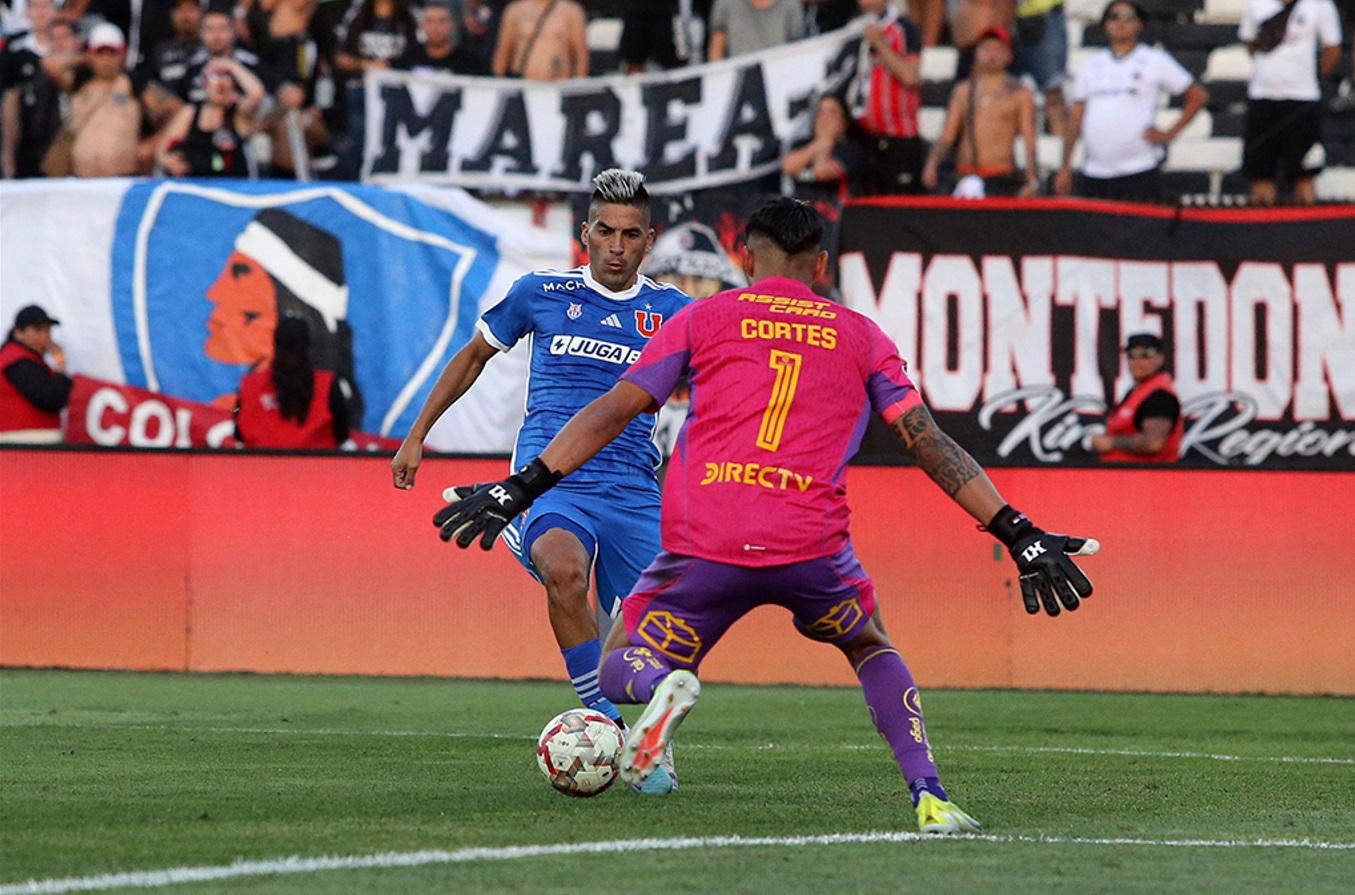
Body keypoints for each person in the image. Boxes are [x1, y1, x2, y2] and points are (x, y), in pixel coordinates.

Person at [432, 197, 1100, 833]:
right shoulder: (862, 335)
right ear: (821, 266)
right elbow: (925, 439)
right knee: (870, 646)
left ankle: (664, 683)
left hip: (707, 544)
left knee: (616, 665)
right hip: (809, 546)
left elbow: (615, 407)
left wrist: (524, 484)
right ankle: (929, 794)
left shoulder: (700, 318)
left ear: (745, 259)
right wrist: (1016, 530)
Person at [391, 169, 693, 793]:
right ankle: (606, 727)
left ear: (648, 240)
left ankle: (651, 732)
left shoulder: (675, 313)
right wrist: (418, 433)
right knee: (563, 573)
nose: (615, 245)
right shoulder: (540, 291)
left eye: (630, 235)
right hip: (552, 482)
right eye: (604, 231)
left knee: (656, 644)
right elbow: (474, 354)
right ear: (584, 233)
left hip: (635, 489)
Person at [204, 207, 364, 429]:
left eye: (240, 272)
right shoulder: (328, 392)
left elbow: (243, 433)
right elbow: (340, 436)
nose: (213, 293)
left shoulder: (249, 395)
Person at [1054, 0, 1209, 202]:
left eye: (1129, 18)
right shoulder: (1091, 64)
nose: (1121, 23)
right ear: (1105, 24)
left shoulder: (1154, 60)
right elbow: (1076, 116)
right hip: (1096, 171)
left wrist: (1170, 132)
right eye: (1114, 17)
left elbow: (1197, 96)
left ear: (1140, 24)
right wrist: (1065, 166)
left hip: (1139, 169)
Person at [1238, 0, 1343, 205]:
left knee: (1305, 175)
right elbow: (1250, 42)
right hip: (1262, 97)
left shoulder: (1320, 5)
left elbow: (1332, 49)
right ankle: (1259, 229)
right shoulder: (1257, 4)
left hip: (1302, 100)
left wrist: (1309, 78)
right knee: (1260, 176)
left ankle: (1305, 229)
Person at [922, 26, 1038, 197]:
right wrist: (932, 163)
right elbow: (948, 134)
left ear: (1009, 55)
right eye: (986, 49)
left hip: (1000, 176)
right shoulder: (963, 90)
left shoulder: (1019, 94)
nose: (991, 55)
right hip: (966, 173)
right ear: (977, 53)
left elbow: (1029, 140)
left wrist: (1031, 178)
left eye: (998, 49)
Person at [841, 0, 927, 195]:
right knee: (868, 210)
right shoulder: (851, 29)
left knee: (900, 210)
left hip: (900, 138)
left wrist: (879, 43)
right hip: (864, 138)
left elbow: (910, 76)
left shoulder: (905, 28)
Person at [235, 315, 350, 447]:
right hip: (317, 465)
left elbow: (238, 429)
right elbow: (342, 433)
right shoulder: (328, 386)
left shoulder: (249, 386)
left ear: (275, 345)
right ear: (308, 346)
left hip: (260, 466)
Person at [155, 55, 263, 176]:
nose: (221, 84)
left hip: (233, 185)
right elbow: (164, 148)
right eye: (215, 78)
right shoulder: (191, 112)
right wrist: (169, 161)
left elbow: (257, 93)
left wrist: (230, 65)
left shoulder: (238, 114)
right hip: (197, 183)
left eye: (227, 78)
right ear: (205, 85)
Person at [1090, 332, 1182, 462]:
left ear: (1160, 359)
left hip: (1146, 477)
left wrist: (1112, 442)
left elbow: (1153, 443)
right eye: (1131, 356)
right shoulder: (1137, 392)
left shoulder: (1160, 396)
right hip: (1123, 476)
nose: (1137, 362)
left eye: (1145, 355)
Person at [1, 0, 62, 179]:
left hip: (60, 140)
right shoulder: (15, 51)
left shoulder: (68, 45)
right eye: (35, 6)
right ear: (27, 12)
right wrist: (7, 153)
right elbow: (10, 102)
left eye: (46, 6)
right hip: (28, 142)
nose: (41, 12)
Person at [0, 304, 73, 444]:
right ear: (18, 332)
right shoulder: (18, 361)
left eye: (48, 330)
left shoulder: (17, 358)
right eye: (38, 330)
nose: (46, 336)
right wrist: (61, 366)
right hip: (25, 443)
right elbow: (51, 399)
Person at [490, 0, 587, 79]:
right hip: (523, 85)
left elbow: (581, 54)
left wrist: (579, 85)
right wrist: (498, 81)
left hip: (559, 84)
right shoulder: (515, 10)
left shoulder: (572, 11)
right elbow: (503, 50)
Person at [706, 0, 803, 62]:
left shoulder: (791, 5)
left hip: (780, 81)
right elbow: (716, 52)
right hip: (736, 84)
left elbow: (797, 52)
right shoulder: (725, 4)